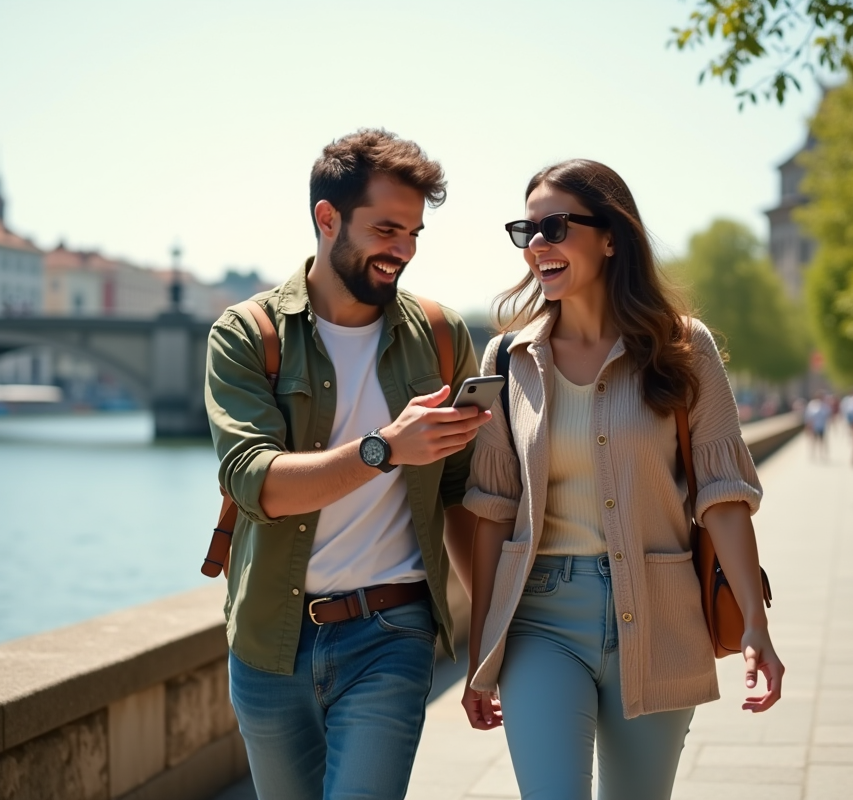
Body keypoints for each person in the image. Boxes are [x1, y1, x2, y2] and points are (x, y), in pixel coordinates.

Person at [459, 159, 784, 799]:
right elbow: (493, 511)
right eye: (527, 230)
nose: (538, 245)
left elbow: (722, 495)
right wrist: (480, 657)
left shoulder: (682, 348)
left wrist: (756, 626)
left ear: (611, 236)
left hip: (661, 612)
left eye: (554, 226)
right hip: (540, 619)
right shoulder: (507, 359)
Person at [205, 129, 489, 799]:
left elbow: (461, 498)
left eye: (415, 233)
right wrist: (385, 449)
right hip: (269, 642)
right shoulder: (249, 335)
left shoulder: (444, 336)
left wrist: (489, 638)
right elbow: (256, 482)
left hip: (393, 633)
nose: (404, 250)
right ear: (326, 218)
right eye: (387, 228)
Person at [805, 393, 831, 459]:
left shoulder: (824, 405)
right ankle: (813, 454)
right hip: (814, 426)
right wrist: (809, 426)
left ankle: (822, 454)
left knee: (822, 440)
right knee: (814, 440)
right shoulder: (812, 404)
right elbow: (809, 417)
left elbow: (827, 416)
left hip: (822, 426)